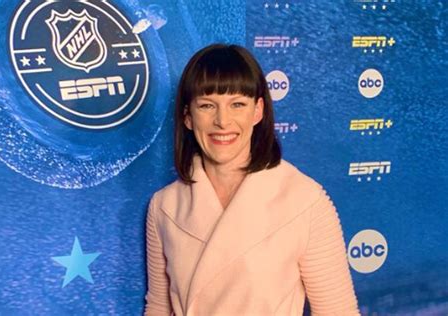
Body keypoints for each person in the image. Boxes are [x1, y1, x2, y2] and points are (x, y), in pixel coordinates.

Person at [144, 44, 360, 316]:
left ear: (258, 111)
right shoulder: (163, 206)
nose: (222, 121)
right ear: (188, 116)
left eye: (238, 104)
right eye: (207, 105)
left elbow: (337, 312)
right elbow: (158, 308)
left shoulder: (306, 201)